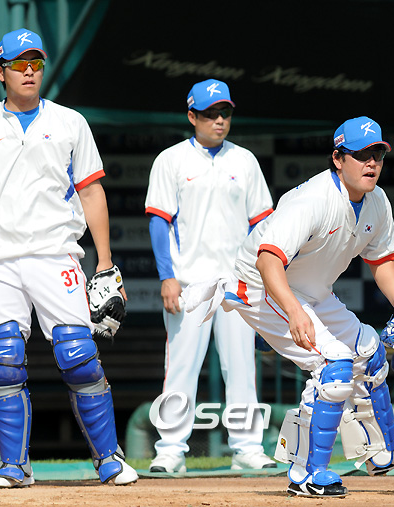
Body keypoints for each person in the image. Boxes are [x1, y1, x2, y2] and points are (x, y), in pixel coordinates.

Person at [179, 116, 394, 497]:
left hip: (312, 290)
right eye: (362, 155)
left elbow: (382, 260)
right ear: (338, 158)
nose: (371, 163)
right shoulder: (314, 200)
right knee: (334, 365)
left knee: (370, 353)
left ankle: (383, 451)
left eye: (378, 154)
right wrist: (293, 311)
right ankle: (306, 473)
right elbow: (268, 260)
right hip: (261, 286)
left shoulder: (377, 202)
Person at [0, 28, 138, 488]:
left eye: (37, 63)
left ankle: (109, 458)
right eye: (19, 64)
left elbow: (91, 191)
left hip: (55, 254)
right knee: (2, 357)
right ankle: (14, 466)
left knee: (78, 354)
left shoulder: (70, 122)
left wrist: (105, 261)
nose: (29, 71)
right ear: (1, 71)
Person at [144, 79, 276, 472]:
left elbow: (262, 224)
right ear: (192, 116)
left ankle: (247, 448)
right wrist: (167, 276)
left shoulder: (245, 160)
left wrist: (263, 281)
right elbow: (158, 221)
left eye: (225, 112)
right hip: (189, 282)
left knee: (242, 368)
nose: (219, 120)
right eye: (210, 113)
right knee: (181, 368)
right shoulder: (171, 159)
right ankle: (170, 450)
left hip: (238, 282)